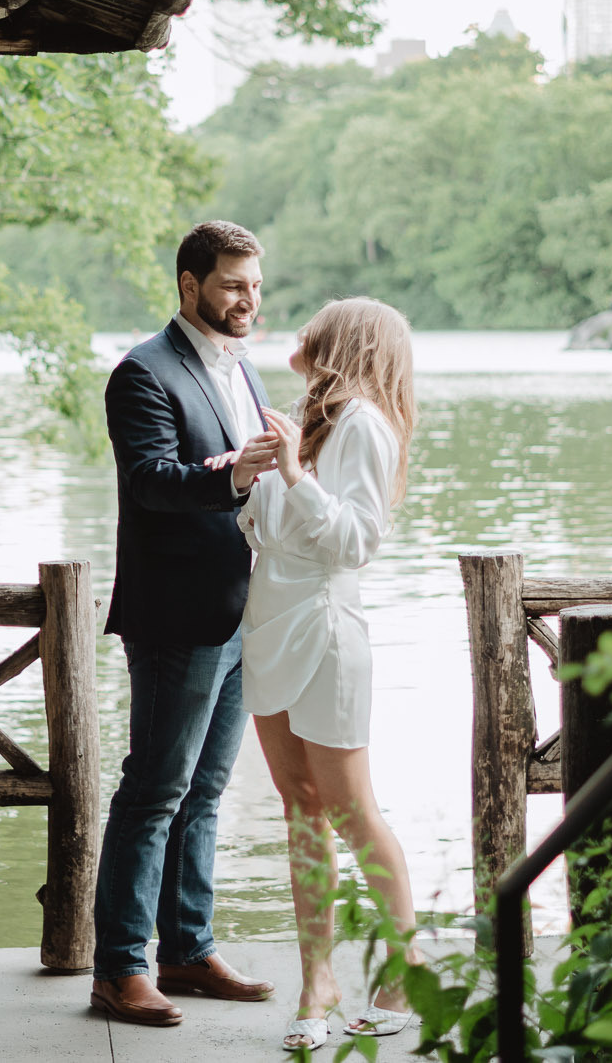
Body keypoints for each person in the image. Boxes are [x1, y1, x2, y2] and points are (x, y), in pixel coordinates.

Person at [89, 220, 284, 1028]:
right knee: (153, 790)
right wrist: (232, 471)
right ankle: (119, 966)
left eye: (255, 286)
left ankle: (187, 947)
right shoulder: (142, 371)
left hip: (245, 610)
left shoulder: (244, 367)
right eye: (233, 284)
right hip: (176, 617)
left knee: (204, 792)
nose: (248, 300)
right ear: (189, 284)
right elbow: (153, 480)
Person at [236, 297, 424, 1052]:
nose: (303, 327)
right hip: (270, 623)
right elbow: (268, 531)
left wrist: (292, 474)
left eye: (320, 321)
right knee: (300, 809)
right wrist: (255, 480)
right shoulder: (304, 419)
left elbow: (355, 541)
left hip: (325, 629)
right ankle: (318, 977)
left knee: (352, 810)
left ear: (345, 340)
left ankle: (404, 967)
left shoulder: (365, 426)